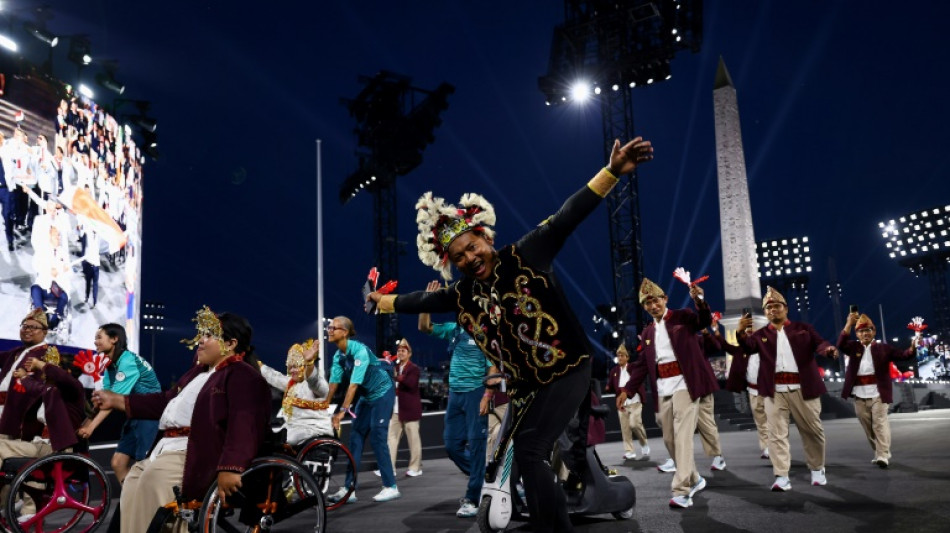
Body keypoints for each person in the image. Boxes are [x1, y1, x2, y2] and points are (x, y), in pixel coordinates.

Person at [368, 136, 653, 531]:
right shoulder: (466, 292)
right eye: (459, 258)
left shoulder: (527, 253)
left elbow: (568, 214)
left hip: (568, 368)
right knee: (523, 454)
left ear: (485, 237)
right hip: (529, 386)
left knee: (532, 451)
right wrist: (380, 302)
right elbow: (420, 301)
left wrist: (610, 173)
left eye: (472, 247)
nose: (470, 259)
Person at [92, 307, 271, 533]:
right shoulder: (197, 374)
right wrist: (118, 400)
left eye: (208, 336)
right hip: (165, 449)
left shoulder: (242, 376)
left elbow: (244, 424)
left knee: (153, 479)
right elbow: (164, 401)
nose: (200, 342)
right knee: (132, 482)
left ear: (231, 344)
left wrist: (231, 467)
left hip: (197, 454)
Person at [615, 278, 716, 509]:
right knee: (670, 439)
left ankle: (682, 490)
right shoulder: (648, 331)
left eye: (656, 300)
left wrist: (699, 300)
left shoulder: (683, 316)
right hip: (662, 389)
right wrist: (626, 390)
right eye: (647, 302)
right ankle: (694, 478)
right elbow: (641, 365)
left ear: (665, 299)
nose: (653, 305)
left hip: (686, 385)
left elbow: (704, 321)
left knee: (682, 437)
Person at [736, 287, 838, 492]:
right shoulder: (760, 335)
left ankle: (817, 469)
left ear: (786, 308)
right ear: (765, 313)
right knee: (776, 434)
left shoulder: (803, 328)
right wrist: (739, 332)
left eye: (777, 306)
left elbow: (820, 344)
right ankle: (781, 474)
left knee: (812, 430)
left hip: (803, 387)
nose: (773, 310)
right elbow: (747, 348)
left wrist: (828, 350)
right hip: (774, 391)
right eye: (769, 307)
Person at [419, 280, 494, 518]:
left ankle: (473, 498)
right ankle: (485, 477)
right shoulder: (453, 330)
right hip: (455, 395)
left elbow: (493, 367)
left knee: (477, 444)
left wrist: (487, 396)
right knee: (452, 445)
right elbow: (424, 327)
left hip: (475, 394)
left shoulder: (485, 332)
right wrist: (426, 302)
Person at [324, 316, 400, 503]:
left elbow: (353, 386)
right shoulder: (338, 357)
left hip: (383, 392)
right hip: (367, 397)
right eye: (329, 326)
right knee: (355, 437)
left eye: (334, 327)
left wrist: (342, 411)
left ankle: (391, 486)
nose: (329, 329)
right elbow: (333, 385)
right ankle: (349, 488)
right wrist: (324, 405)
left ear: (346, 332)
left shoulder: (360, 352)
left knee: (377, 437)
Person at [76, 323, 161, 483]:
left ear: (114, 339)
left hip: (149, 416)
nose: (95, 342)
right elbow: (105, 399)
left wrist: (91, 427)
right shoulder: (111, 366)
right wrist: (85, 423)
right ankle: (130, 501)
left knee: (144, 466)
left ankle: (146, 504)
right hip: (134, 414)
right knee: (118, 463)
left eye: (99, 337)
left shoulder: (127, 360)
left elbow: (113, 399)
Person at [837, 312, 917, 468]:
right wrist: (848, 323)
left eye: (868, 330)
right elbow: (840, 344)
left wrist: (912, 348)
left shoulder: (883, 348)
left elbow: (903, 355)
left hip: (879, 393)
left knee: (879, 424)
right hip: (859, 394)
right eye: (861, 331)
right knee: (867, 426)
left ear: (874, 332)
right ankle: (881, 451)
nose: (865, 333)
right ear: (857, 333)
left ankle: (882, 455)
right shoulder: (853, 347)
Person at [259, 339, 333, 445]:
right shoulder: (293, 384)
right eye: (291, 367)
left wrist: (309, 363)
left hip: (313, 430)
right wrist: (256, 363)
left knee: (280, 440)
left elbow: (313, 380)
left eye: (296, 366)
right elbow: (274, 377)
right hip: (294, 429)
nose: (292, 370)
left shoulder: (317, 383)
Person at [722, 316, 770, 459]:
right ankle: (766, 446)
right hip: (753, 389)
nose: (750, 333)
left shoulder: (766, 346)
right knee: (760, 420)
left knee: (773, 419)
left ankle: (777, 445)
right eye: (748, 331)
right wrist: (715, 332)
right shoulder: (743, 350)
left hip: (768, 389)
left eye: (752, 330)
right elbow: (725, 346)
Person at [605, 343, 650, 461]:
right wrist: (608, 387)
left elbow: (639, 375)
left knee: (635, 424)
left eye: (622, 355)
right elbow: (610, 385)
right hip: (622, 404)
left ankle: (644, 443)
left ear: (627, 357)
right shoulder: (614, 371)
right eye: (618, 356)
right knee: (625, 428)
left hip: (635, 401)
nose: (619, 358)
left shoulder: (633, 367)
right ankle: (630, 451)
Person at [387, 338, 423, 477]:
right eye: (399, 351)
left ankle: (415, 467)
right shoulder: (395, 368)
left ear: (409, 353)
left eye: (403, 351)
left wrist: (395, 376)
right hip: (396, 410)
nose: (400, 353)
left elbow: (410, 384)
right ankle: (390, 468)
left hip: (410, 409)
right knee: (391, 439)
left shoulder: (413, 369)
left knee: (413, 439)